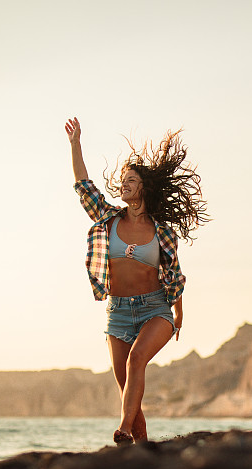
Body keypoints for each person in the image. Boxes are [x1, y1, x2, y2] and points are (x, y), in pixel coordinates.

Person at [65, 117, 207, 444]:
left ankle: (123, 429)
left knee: (136, 359)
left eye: (131, 180)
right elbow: (84, 186)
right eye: (123, 180)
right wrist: (76, 145)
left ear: (144, 188)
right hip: (117, 314)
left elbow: (173, 276)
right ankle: (141, 451)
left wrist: (179, 314)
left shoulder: (162, 233)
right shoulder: (108, 218)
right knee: (127, 387)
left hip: (154, 309)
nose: (124, 183)